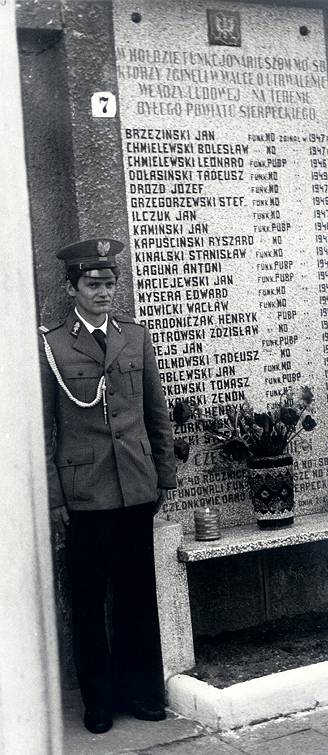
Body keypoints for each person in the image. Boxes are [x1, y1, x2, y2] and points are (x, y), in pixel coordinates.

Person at [39, 238, 177, 733]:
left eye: (110, 284)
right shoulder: (53, 345)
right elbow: (43, 428)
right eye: (93, 284)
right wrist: (55, 497)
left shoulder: (135, 339)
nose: (103, 293)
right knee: (89, 598)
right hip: (85, 495)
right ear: (72, 288)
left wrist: (164, 474)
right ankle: (97, 701)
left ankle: (141, 692)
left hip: (135, 489)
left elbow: (155, 413)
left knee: (138, 595)